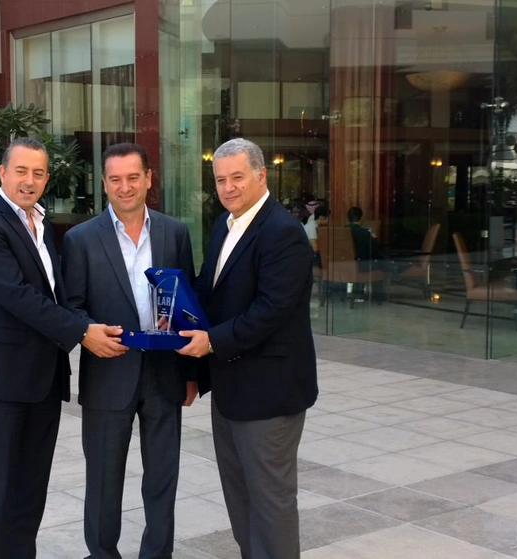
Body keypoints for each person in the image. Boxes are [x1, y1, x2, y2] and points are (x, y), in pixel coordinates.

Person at [0, 137, 126, 558]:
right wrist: (81, 332)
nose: (29, 181)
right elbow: (18, 297)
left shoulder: (40, 224)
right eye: (21, 171)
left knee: (30, 491)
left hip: (43, 381)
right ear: (2, 173)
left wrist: (87, 322)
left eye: (38, 173)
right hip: (0, 382)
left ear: (47, 178)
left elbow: (56, 294)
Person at [178, 138, 318, 557]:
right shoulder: (225, 224)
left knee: (270, 502)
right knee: (240, 498)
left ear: (261, 175)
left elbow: (271, 310)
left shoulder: (283, 232)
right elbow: (210, 290)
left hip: (269, 394)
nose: (228, 187)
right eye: (221, 180)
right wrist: (171, 306)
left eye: (237, 177)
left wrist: (212, 342)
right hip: (230, 386)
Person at [62, 143, 198, 559]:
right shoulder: (80, 239)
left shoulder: (174, 232)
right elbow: (70, 306)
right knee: (103, 479)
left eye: (133, 177)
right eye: (116, 179)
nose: (126, 187)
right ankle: (102, 554)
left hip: (164, 374)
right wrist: (87, 333)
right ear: (104, 183)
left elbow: (189, 308)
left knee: (162, 477)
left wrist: (193, 373)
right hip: (108, 374)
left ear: (149, 179)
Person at [347, 206, 384, 272]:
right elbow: (374, 251)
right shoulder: (364, 232)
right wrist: (375, 238)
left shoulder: (341, 231)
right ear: (361, 218)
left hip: (344, 266)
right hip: (362, 267)